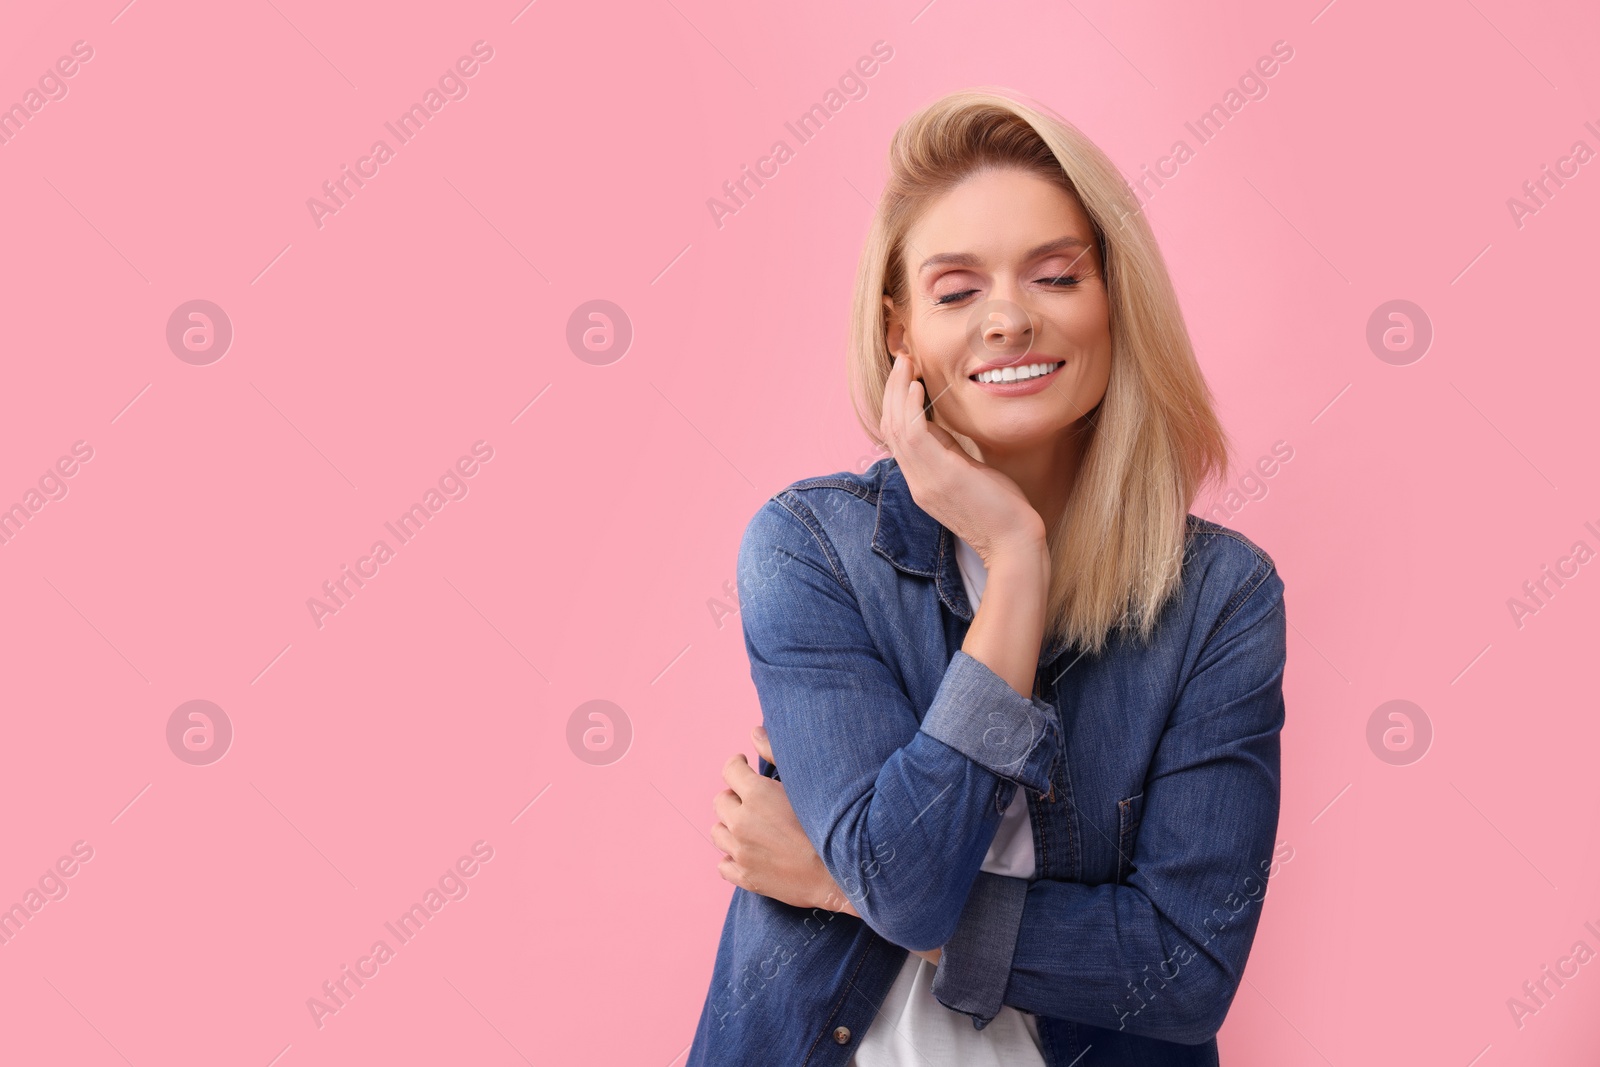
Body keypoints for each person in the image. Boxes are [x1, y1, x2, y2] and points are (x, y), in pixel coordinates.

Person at [686, 86, 1288, 1067]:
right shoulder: (810, 548)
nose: (1006, 318)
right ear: (899, 332)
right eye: (957, 291)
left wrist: (836, 880)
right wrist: (1014, 564)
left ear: (1112, 298)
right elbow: (911, 882)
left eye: (1054, 275)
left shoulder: (1220, 597)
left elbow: (1182, 970)